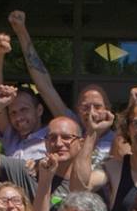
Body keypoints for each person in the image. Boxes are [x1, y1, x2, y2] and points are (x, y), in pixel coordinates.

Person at [7, 10, 116, 164]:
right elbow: (44, 86)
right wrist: (21, 31)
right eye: (85, 107)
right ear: (77, 110)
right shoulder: (73, 125)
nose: (91, 112)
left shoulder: (120, 140)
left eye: (97, 106)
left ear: (108, 109)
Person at [0, 84, 81, 207]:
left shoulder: (90, 180)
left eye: (66, 137)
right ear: (45, 143)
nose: (59, 143)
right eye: (52, 138)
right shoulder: (28, 172)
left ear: (81, 143)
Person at [0, 31, 48, 160]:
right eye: (12, 112)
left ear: (39, 110)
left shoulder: (54, 137)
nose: (18, 117)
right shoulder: (11, 138)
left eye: (24, 109)